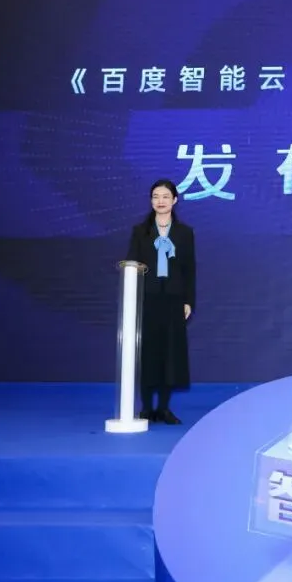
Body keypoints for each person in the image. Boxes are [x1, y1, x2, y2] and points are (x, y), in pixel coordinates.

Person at [125, 179, 196, 425]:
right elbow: (131, 265)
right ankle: (146, 408)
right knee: (148, 352)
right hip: (147, 299)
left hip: (173, 299)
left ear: (174, 200)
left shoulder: (184, 233)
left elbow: (189, 270)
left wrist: (188, 300)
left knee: (169, 353)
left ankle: (164, 408)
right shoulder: (140, 231)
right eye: (156, 196)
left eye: (166, 196)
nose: (160, 201)